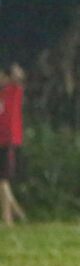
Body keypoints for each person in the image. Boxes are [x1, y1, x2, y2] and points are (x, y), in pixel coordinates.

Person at [0, 63, 26, 227]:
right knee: (3, 180)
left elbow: (19, 79)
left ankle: (8, 217)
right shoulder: (1, 94)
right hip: (0, 140)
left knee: (3, 179)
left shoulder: (13, 91)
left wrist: (15, 72)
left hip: (9, 140)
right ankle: (16, 213)